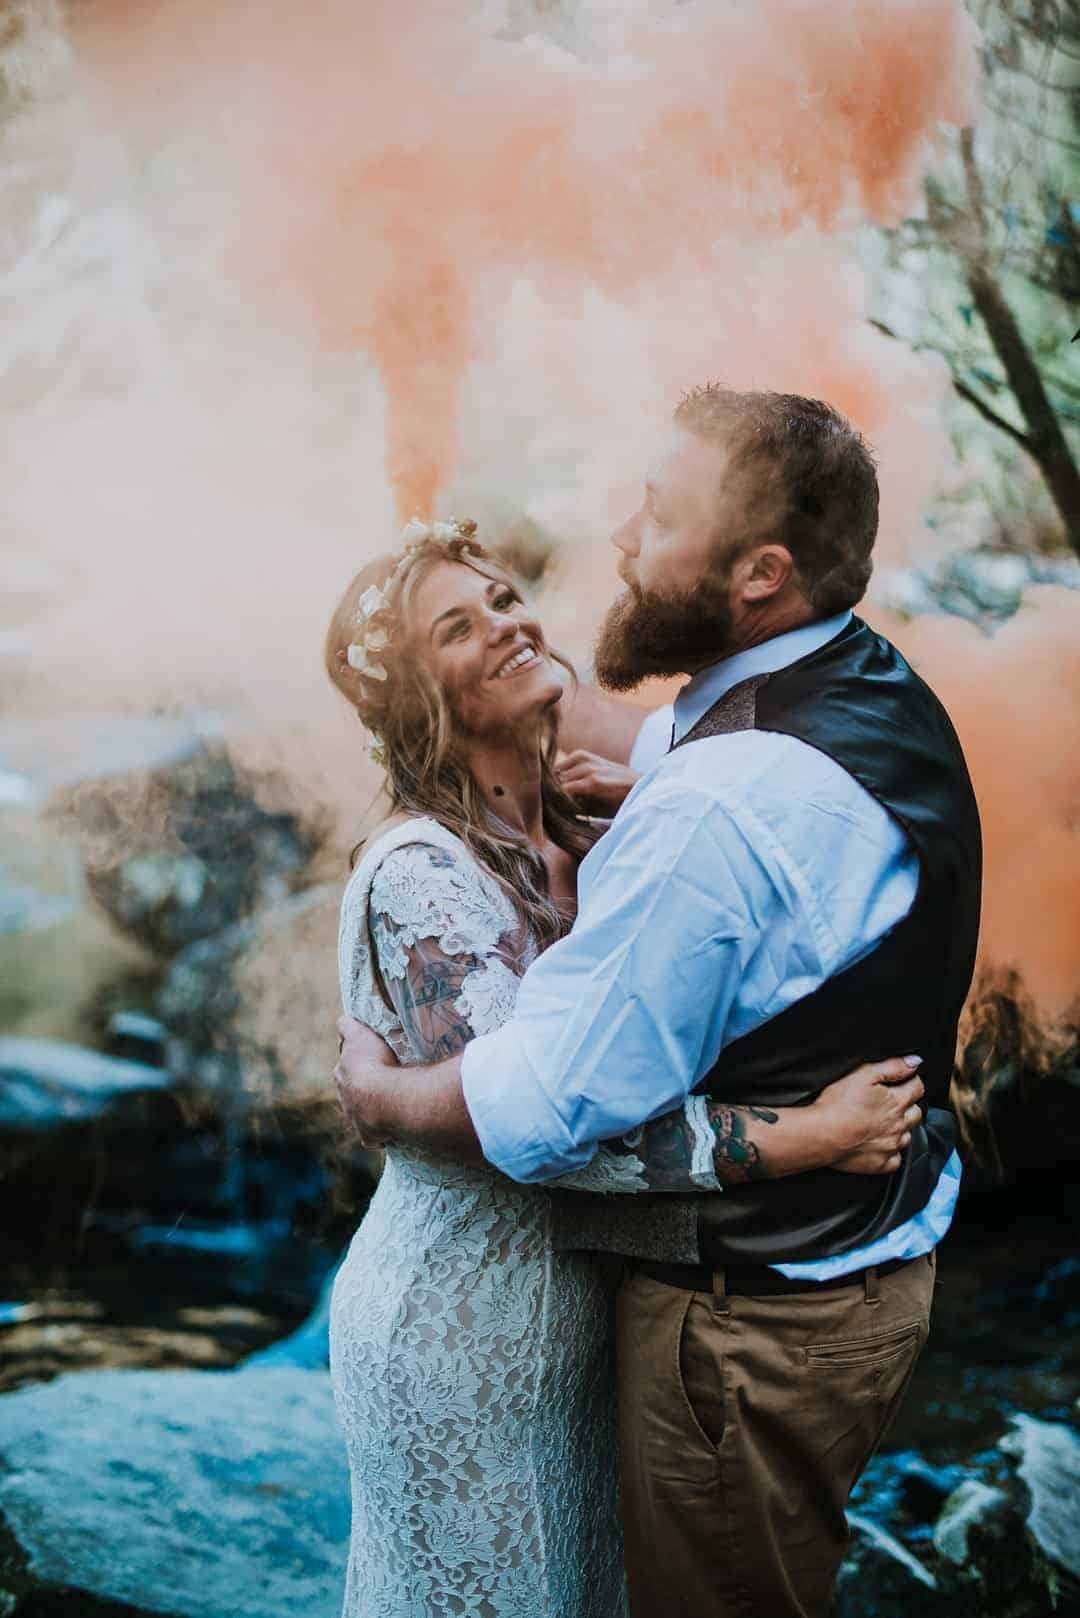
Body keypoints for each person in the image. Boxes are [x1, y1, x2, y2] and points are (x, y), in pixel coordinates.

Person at [334, 387, 982, 1618]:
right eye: (461, 628)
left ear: (760, 573)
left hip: (744, 1336)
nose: (621, 541)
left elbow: (539, 1116)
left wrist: (383, 1095)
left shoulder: (704, 813)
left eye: (661, 514)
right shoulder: (863, 682)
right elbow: (695, 765)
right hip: (523, 1316)